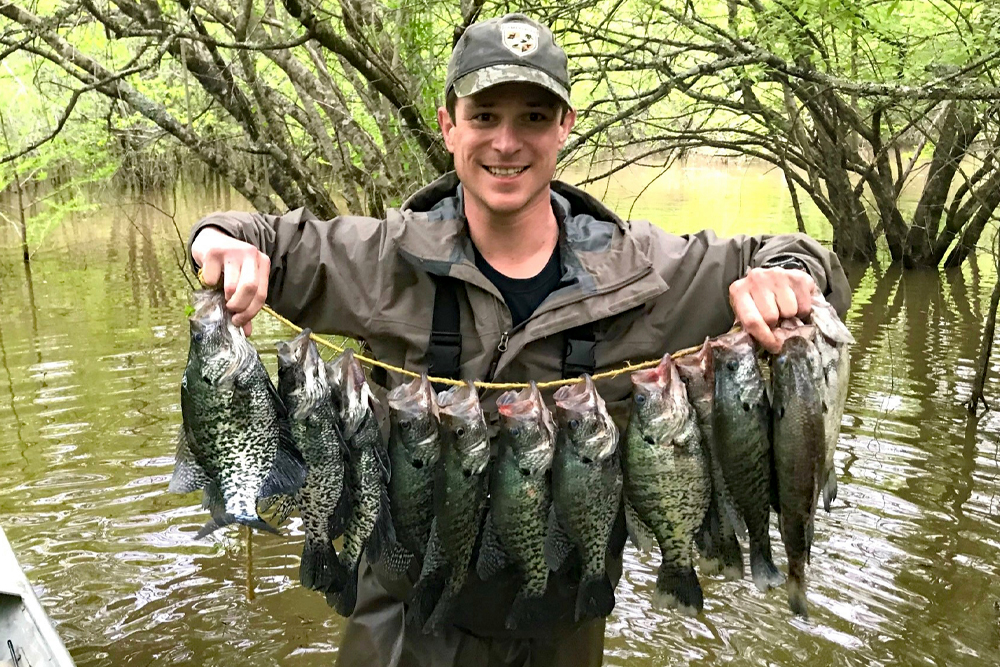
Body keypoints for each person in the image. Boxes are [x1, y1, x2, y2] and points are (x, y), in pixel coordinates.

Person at [188, 13, 850, 667]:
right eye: (484, 116)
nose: (506, 142)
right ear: (448, 124)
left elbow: (803, 258)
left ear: (565, 126)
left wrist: (785, 277)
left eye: (534, 116)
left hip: (562, 626)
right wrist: (218, 241)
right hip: (404, 629)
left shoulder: (642, 271)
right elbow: (261, 237)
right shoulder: (382, 259)